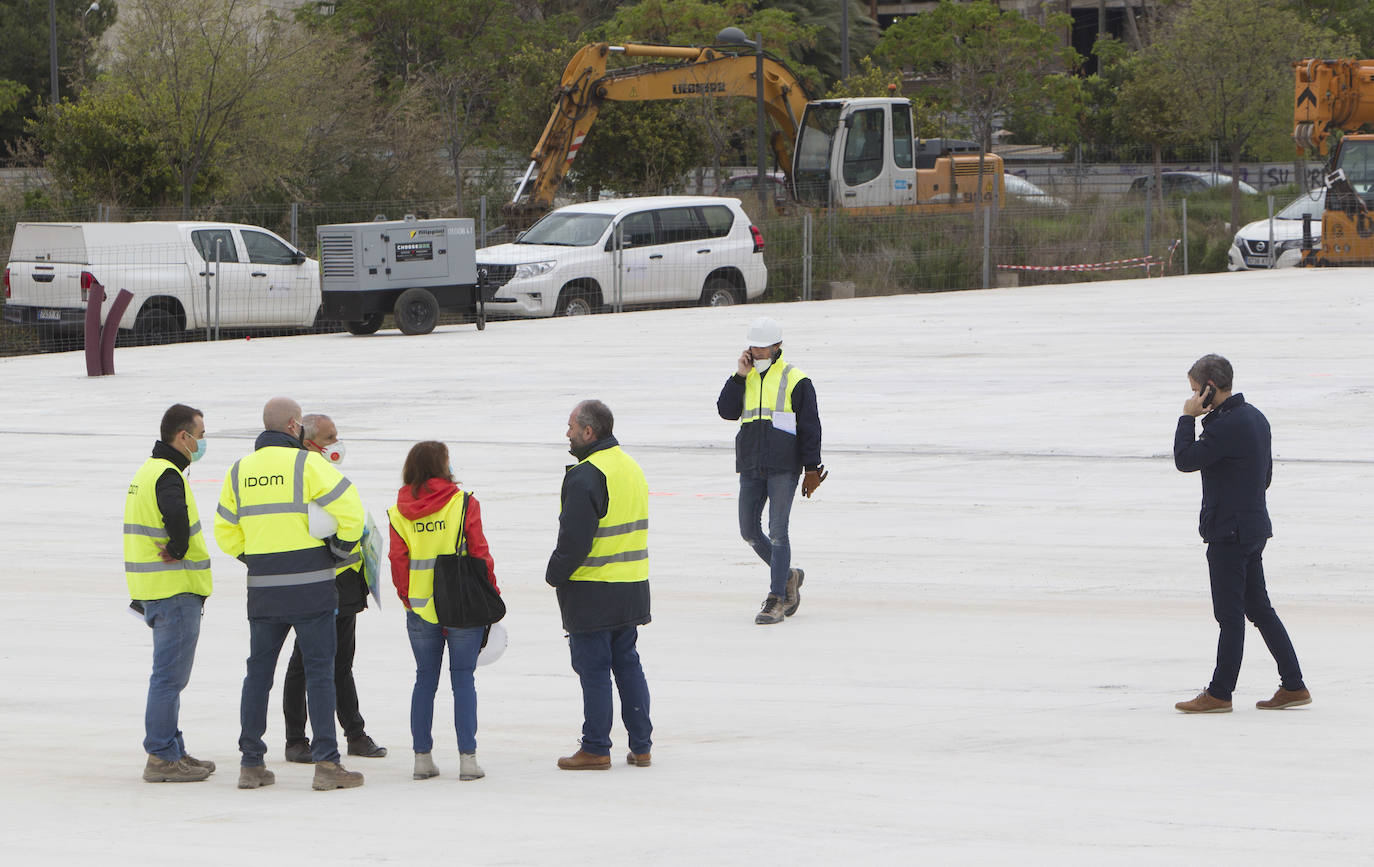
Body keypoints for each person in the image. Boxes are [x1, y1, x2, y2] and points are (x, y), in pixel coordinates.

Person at [214, 397, 368, 790]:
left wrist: (255, 558)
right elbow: (351, 511)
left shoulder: (239, 471)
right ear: (293, 425)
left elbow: (225, 532)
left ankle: (251, 763)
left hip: (264, 591)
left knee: (258, 674)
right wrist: (342, 551)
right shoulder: (307, 463)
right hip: (312, 588)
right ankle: (327, 766)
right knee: (319, 674)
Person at [1173, 355, 1311, 714]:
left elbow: (1185, 459)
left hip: (1229, 533)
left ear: (1209, 389)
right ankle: (1294, 685)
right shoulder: (1255, 417)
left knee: (1230, 616)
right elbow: (1264, 476)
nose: (1191, 397)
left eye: (1193, 390)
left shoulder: (1225, 426)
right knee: (1260, 610)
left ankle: (1220, 693)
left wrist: (1187, 418)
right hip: (1252, 528)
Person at [547, 400, 653, 771]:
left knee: (594, 670)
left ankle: (596, 747)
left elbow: (574, 541)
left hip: (593, 589)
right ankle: (641, 746)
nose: (568, 434)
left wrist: (554, 574)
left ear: (589, 432)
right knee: (627, 665)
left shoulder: (587, 475)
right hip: (632, 585)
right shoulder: (630, 467)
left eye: (572, 427)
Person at [387, 441, 498, 782]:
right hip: (462, 605)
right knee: (463, 679)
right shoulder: (463, 503)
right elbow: (479, 552)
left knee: (425, 680)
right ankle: (467, 759)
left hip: (420, 606)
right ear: (443, 465)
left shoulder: (399, 510)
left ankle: (422, 758)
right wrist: (491, 593)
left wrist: (407, 597)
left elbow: (398, 560)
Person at [281, 413, 386, 764]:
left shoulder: (324, 471)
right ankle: (299, 738)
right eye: (330, 438)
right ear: (309, 441)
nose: (336, 444)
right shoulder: (309, 474)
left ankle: (352, 733)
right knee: (306, 661)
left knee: (339, 661)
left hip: (345, 581)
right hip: (323, 580)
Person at [124, 403, 216, 783]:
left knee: (171, 677)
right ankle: (161, 755)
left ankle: (172, 748)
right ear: (184, 437)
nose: (203, 442)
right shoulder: (167, 476)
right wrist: (178, 548)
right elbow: (174, 514)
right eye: (201, 435)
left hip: (154, 589)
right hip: (174, 589)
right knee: (168, 678)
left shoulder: (148, 471)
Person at [717, 316, 826, 625]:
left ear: (778, 346)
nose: (758, 352)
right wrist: (739, 376)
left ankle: (776, 598)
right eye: (754, 346)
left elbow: (810, 427)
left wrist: (812, 468)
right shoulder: (746, 377)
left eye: (764, 347)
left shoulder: (796, 379)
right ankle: (788, 574)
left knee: (778, 532)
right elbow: (726, 411)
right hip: (751, 463)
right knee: (748, 530)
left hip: (783, 466)